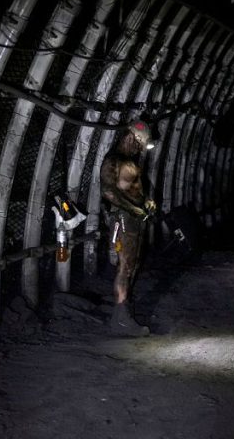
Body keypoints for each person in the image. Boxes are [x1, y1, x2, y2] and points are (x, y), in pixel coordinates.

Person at [99, 118, 156, 336]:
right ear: (130, 137)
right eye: (139, 144)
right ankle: (121, 320)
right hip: (122, 220)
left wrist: (147, 201)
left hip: (133, 220)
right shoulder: (113, 160)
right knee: (124, 266)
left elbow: (134, 189)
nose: (140, 149)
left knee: (132, 264)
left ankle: (122, 313)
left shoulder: (129, 161)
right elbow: (108, 192)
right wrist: (133, 209)